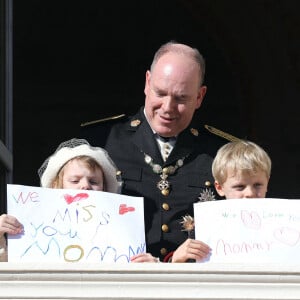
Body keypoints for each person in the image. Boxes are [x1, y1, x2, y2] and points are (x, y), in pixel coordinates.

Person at [81, 41, 239, 262]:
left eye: (181, 98)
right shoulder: (99, 142)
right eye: (160, 93)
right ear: (147, 83)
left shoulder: (222, 152)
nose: (167, 107)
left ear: (200, 97)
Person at [0, 138, 158, 262]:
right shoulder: (35, 225)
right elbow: (11, 267)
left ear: (105, 189)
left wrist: (151, 267)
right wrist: (1, 237)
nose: (85, 186)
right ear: (57, 186)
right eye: (75, 181)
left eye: (94, 182)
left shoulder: (122, 230)